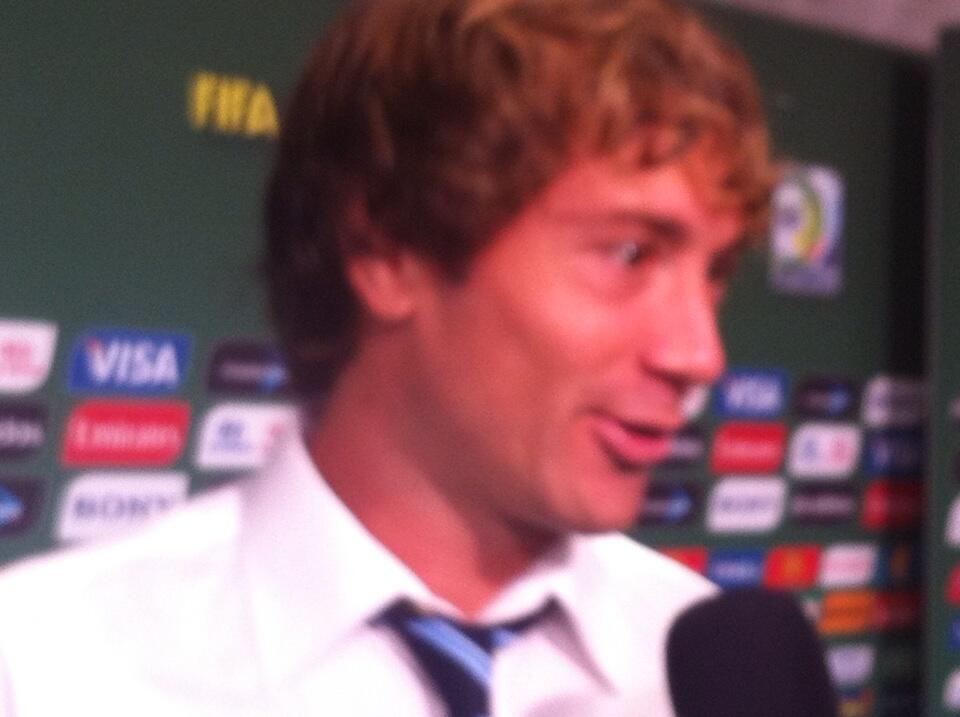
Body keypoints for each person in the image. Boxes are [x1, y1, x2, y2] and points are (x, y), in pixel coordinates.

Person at [0, 0, 773, 714]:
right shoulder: (43, 669)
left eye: (716, 273)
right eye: (630, 253)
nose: (699, 354)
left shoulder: (705, 673)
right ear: (388, 249)